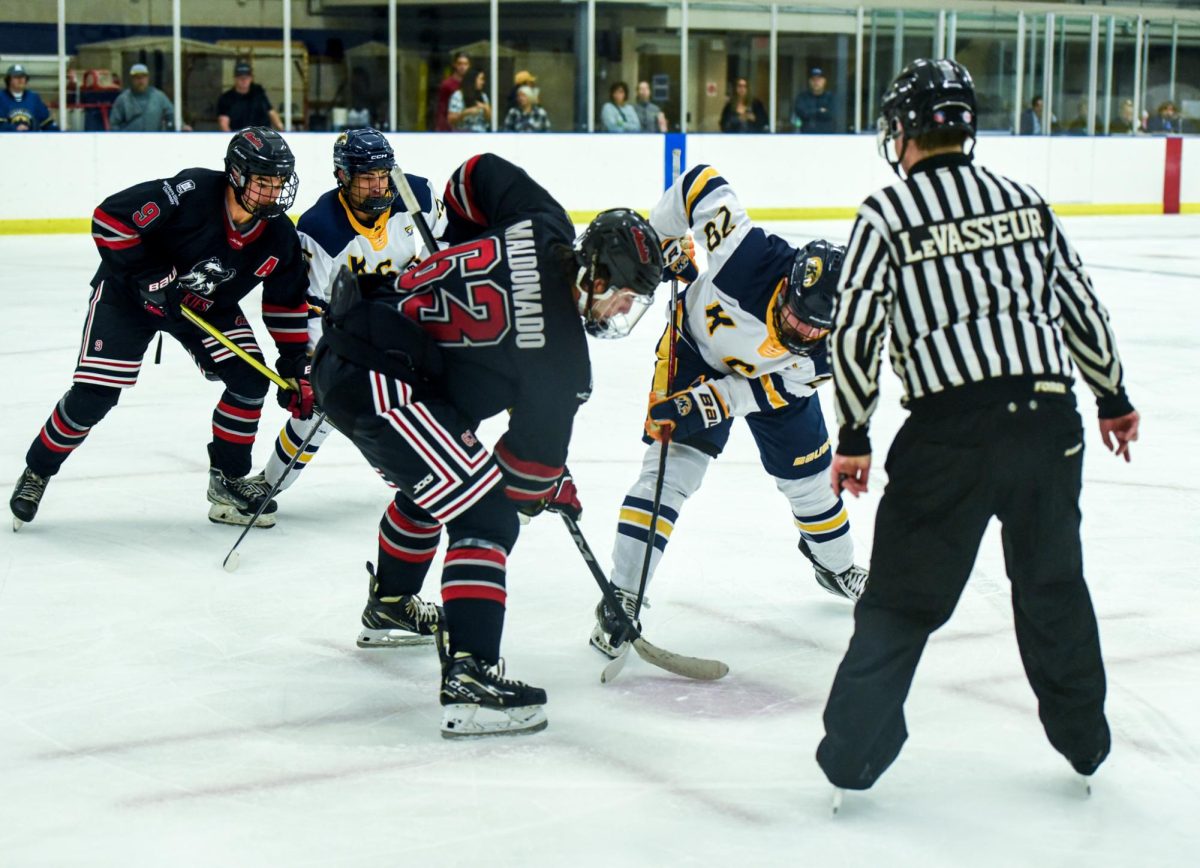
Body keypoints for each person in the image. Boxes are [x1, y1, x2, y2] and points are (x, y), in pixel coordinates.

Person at [816, 58, 1140, 799]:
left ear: (903, 131)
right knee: (1052, 583)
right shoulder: (1025, 201)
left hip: (948, 432)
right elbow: (1081, 307)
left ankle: (852, 758)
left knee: (901, 599)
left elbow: (856, 332)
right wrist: (1113, 396)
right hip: (1047, 420)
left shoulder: (886, 213)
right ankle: (1085, 745)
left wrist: (856, 433)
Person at [310, 153, 663, 736]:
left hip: (362, 340)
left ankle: (391, 607)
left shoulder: (542, 220)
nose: (622, 310)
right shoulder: (564, 364)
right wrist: (549, 486)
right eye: (623, 296)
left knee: (445, 481)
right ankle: (470, 675)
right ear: (597, 276)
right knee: (487, 514)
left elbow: (477, 173)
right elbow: (521, 483)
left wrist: (462, 244)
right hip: (382, 379)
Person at [589, 165, 868, 660]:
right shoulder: (748, 254)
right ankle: (622, 596)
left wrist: (709, 403)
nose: (800, 334)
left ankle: (836, 565)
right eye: (795, 318)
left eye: (812, 331)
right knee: (669, 472)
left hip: (765, 387)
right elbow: (699, 182)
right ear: (787, 285)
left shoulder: (834, 349)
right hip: (695, 349)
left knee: (810, 485)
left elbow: (766, 391)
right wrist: (664, 238)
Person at [9, 127, 311, 531]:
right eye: (263, 182)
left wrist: (294, 363)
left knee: (251, 381)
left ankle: (228, 481)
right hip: (128, 296)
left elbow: (286, 301)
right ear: (236, 175)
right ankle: (37, 471)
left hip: (204, 307)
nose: (272, 193)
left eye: (278, 183)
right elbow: (110, 218)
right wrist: (148, 273)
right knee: (94, 395)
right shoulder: (191, 191)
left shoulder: (278, 237)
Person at [259, 127, 445, 509]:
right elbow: (309, 305)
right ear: (342, 177)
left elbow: (449, 244)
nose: (378, 186)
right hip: (349, 330)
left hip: (409, 319)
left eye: (383, 175)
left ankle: (420, 487)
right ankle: (267, 485)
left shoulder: (418, 195)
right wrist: (310, 367)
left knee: (427, 401)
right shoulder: (320, 229)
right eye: (366, 178)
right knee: (321, 414)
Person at [109, 63, 188, 132]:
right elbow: (114, 125)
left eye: (143, 76)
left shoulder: (159, 97)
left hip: (154, 143)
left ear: (148, 78)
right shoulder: (123, 99)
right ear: (132, 79)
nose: (140, 80)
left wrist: (182, 126)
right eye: (137, 77)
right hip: (130, 144)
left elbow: (172, 115)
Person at [217, 61, 283, 133]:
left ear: (251, 78)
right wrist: (230, 139)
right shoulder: (226, 98)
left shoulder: (258, 93)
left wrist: (282, 130)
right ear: (235, 78)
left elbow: (271, 112)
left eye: (247, 77)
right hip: (240, 138)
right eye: (241, 78)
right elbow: (223, 122)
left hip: (262, 137)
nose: (244, 80)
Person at [0, 64, 57, 132]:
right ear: (8, 80)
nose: (20, 79)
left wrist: (59, 134)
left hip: (31, 140)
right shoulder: (1, 97)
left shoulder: (34, 98)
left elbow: (46, 122)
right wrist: (14, 128)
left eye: (22, 77)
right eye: (16, 77)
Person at [793, 67, 836, 133]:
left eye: (819, 80)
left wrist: (811, 112)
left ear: (824, 81)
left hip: (827, 137)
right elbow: (801, 113)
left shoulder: (830, 98)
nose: (816, 82)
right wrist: (819, 111)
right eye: (813, 80)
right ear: (809, 81)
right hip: (806, 136)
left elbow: (832, 114)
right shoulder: (802, 97)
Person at [434, 52, 470, 132]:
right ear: (454, 65)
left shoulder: (471, 83)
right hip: (449, 129)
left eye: (465, 64)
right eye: (460, 64)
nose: (462, 67)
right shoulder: (447, 84)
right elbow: (442, 109)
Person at [448, 68, 491, 132]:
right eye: (481, 79)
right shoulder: (458, 96)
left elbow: (488, 120)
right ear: (473, 79)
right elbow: (450, 120)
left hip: (481, 135)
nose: (483, 82)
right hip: (463, 135)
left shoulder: (483, 96)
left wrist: (486, 108)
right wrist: (465, 113)